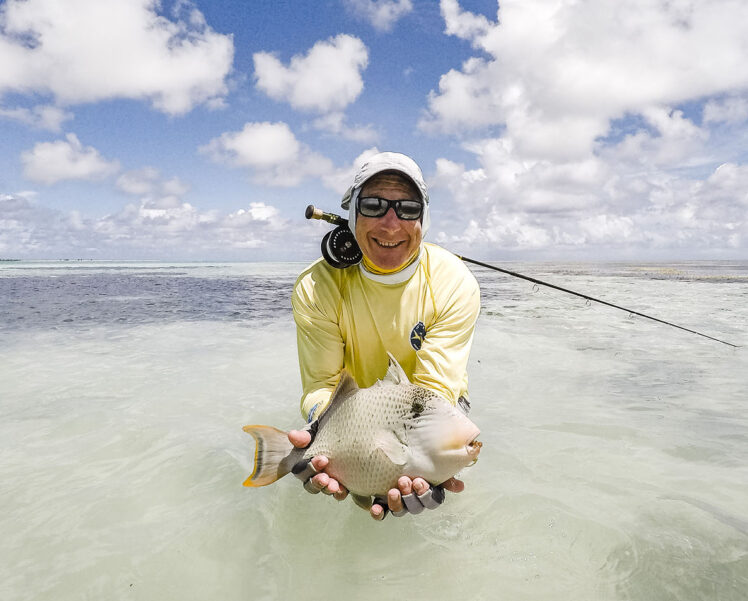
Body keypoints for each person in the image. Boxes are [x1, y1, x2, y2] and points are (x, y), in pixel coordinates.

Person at [287, 152, 480, 520]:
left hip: (430, 405)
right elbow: (321, 385)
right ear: (352, 213)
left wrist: (422, 461)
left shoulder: (454, 282)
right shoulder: (316, 286)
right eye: (374, 205)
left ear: (424, 219)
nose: (391, 224)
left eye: (408, 208)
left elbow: (436, 391)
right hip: (352, 411)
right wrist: (321, 431)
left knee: (440, 483)